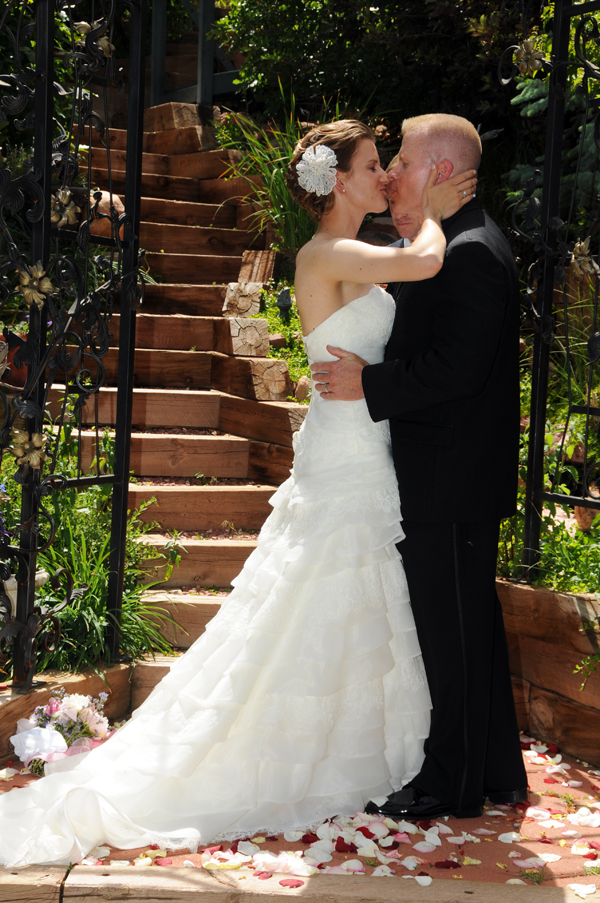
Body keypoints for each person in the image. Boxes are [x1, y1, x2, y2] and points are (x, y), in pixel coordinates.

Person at [0, 119, 476, 867]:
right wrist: (439, 207)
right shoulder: (327, 252)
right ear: (339, 181)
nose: (385, 176)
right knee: (321, 598)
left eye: (388, 164)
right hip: (346, 455)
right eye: (374, 165)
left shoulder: (355, 251)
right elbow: (424, 259)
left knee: (347, 601)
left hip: (358, 443)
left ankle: (351, 751)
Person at [310, 113, 528, 821]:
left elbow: (455, 369)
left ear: (439, 171)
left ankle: (450, 783)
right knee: (472, 627)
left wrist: (370, 385)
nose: (394, 170)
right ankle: (495, 770)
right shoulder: (452, 244)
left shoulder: (470, 251)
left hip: (451, 478)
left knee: (454, 632)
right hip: (448, 475)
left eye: (403, 159)